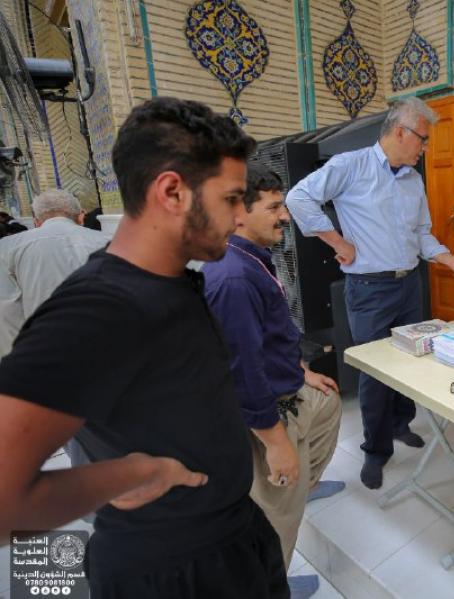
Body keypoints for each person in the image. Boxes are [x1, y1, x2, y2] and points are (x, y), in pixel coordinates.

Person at [0, 97, 292, 598]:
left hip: (232, 537)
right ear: (172, 192)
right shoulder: (101, 307)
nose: (239, 216)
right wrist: (131, 473)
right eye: (230, 199)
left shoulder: (174, 281)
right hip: (172, 571)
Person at [286, 97, 454, 489]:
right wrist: (337, 241)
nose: (425, 147)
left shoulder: (413, 180)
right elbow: (297, 197)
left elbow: (422, 234)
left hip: (409, 284)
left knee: (411, 359)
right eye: (423, 139)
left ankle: (400, 424)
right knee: (375, 372)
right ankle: (375, 451)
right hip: (369, 290)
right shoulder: (350, 165)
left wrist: (449, 260)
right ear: (400, 132)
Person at [204, 164, 344, 597]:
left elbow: (269, 335)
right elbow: (243, 372)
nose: (285, 216)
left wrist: (301, 371)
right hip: (266, 410)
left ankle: (301, 485)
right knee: (273, 522)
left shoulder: (251, 259)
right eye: (274, 207)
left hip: (288, 388)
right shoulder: (234, 278)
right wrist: (277, 444)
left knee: (328, 404)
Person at [0, 188, 108, 359]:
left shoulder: (6, 248)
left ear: (36, 222)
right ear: (81, 216)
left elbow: (6, 310)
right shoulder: (108, 242)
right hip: (105, 346)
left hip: (43, 351)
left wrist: (17, 359)